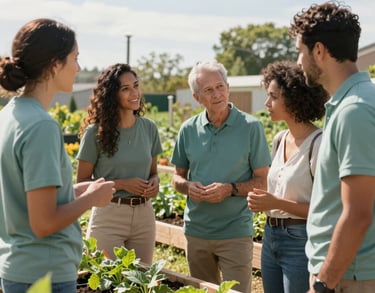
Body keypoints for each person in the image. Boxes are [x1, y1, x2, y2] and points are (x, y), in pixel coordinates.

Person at [0, 18, 115, 293]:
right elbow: (44, 223)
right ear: (54, 64)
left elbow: (25, 200)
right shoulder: (41, 126)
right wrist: (91, 199)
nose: (79, 67)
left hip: (19, 270)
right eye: (75, 58)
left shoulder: (10, 116)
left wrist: (71, 191)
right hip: (45, 274)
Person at [289, 2, 375, 293]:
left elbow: (358, 214)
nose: (299, 62)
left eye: (300, 52)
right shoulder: (353, 102)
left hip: (349, 276)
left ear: (319, 51)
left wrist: (324, 283)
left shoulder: (355, 110)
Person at [171, 60, 271, 293]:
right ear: (197, 98)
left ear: (228, 87)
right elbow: (177, 178)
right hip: (197, 231)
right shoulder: (188, 129)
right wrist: (188, 187)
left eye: (220, 86)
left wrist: (230, 189)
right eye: (208, 90)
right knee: (203, 291)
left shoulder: (251, 127)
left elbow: (262, 181)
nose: (217, 94)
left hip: (235, 232)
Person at [247, 61, 328, 293]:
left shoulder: (318, 144)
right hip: (270, 235)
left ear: (293, 99)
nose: (266, 103)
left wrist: (275, 203)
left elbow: (324, 209)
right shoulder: (280, 138)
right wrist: (265, 201)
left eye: (273, 97)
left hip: (300, 240)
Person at [76, 63, 162, 265]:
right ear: (111, 95)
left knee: (141, 282)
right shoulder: (95, 133)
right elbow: (82, 183)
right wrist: (122, 184)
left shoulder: (149, 128)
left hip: (144, 217)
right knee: (107, 281)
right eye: (125, 89)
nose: (134, 93)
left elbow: (154, 172)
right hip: (109, 215)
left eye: (136, 85)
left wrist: (155, 183)